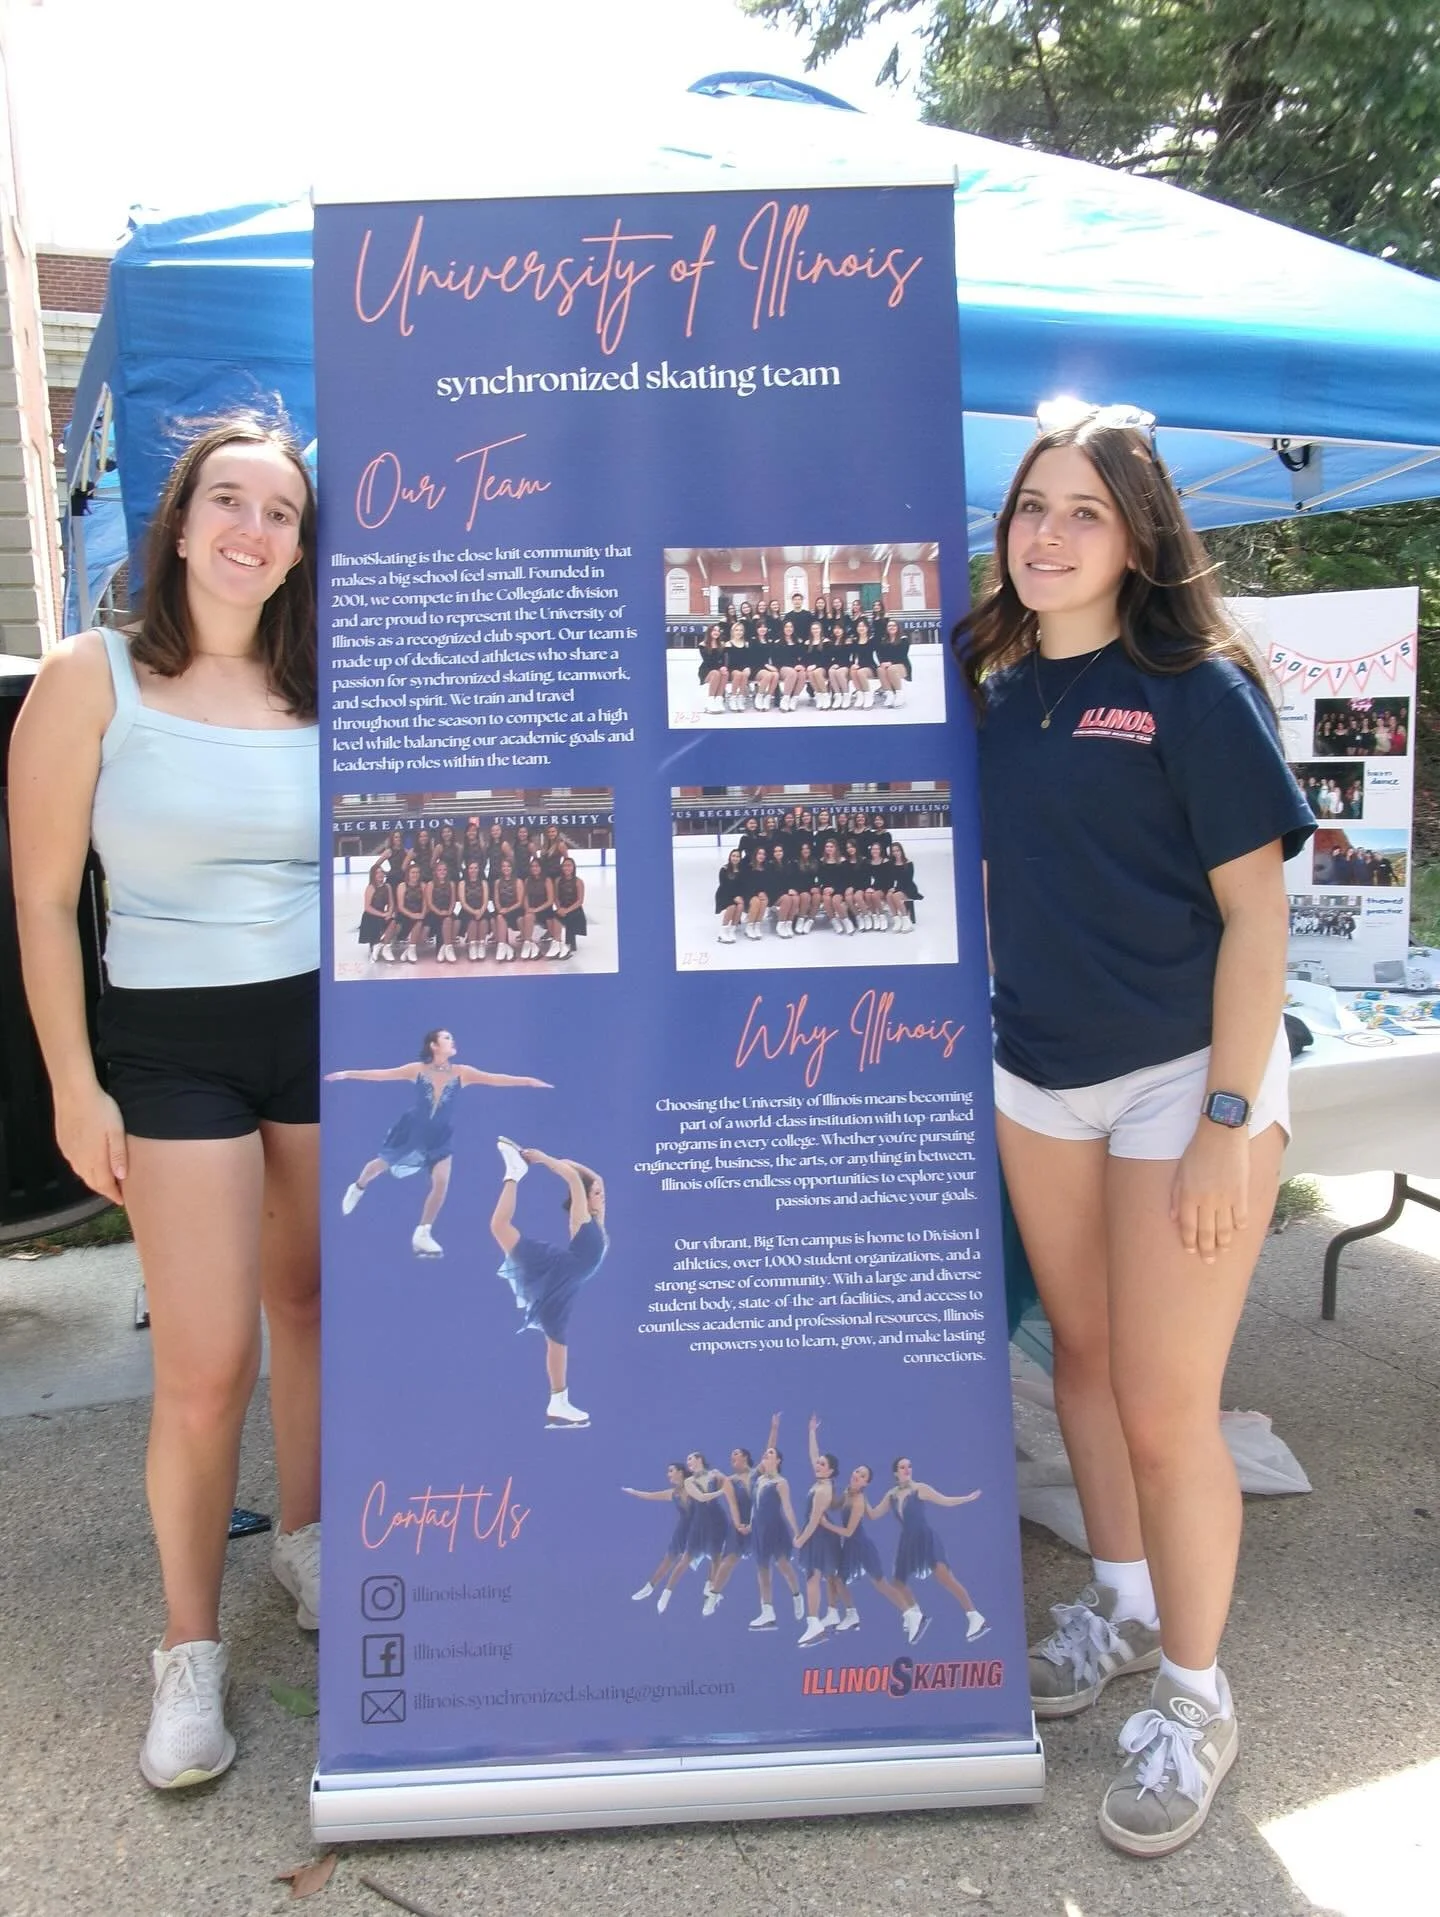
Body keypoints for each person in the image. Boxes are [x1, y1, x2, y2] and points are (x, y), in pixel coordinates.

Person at [957, 401, 1315, 1858]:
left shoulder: (1193, 688)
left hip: (1187, 1079)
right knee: (1084, 1364)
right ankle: (1119, 1604)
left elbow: (1258, 919)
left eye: (1083, 512)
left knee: (1169, 1406)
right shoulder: (996, 690)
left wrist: (1229, 1120)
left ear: (1139, 535)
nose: (1048, 535)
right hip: (1040, 1072)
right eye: (1032, 508)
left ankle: (1195, 1694)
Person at [9, 412, 321, 1790]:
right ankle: (188, 1647)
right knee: (205, 1366)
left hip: (320, 1026)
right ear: (182, 523)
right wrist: (75, 1085)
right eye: (230, 501)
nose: (254, 530)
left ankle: (307, 1540)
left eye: (281, 513)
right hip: (172, 1048)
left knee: (313, 1304)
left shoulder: (320, 680)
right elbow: (40, 901)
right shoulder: (93, 677)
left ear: (300, 548)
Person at [330, 1030, 549, 1256]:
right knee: (378, 1166)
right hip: (412, 1132)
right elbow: (382, 1074)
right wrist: (347, 1074)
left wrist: (527, 1081)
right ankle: (358, 1187)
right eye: (446, 1037)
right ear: (433, 1045)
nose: (452, 1040)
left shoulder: (462, 1072)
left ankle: (423, 1232)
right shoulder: (416, 1069)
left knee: (441, 1182)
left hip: (439, 1136)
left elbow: (495, 1079)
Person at [490, 1137, 605, 1428]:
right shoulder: (581, 1217)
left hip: (568, 1282)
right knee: (499, 1227)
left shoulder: (599, 1219)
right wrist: (543, 1158)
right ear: (585, 1198)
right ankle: (514, 1173)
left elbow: (595, 1178)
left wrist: (568, 1162)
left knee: (556, 1337)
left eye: (601, 1193)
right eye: (596, 1193)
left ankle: (558, 1400)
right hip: (558, 1268)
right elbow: (573, 1179)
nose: (601, 1195)